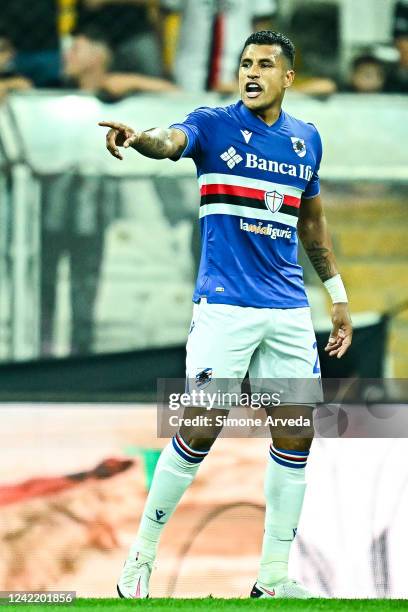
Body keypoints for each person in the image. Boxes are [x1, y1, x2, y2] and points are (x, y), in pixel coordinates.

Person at [99, 30, 353, 599]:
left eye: (265, 64)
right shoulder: (213, 125)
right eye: (245, 64)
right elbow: (170, 142)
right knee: (199, 428)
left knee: (295, 436)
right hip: (225, 305)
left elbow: (311, 220)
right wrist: (140, 138)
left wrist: (336, 294)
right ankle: (138, 563)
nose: (252, 73)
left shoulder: (305, 140)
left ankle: (273, 578)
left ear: (289, 76)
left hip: (288, 307)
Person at [161, 0, 276, 93]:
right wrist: (166, 63)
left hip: (237, 73)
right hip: (188, 73)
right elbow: (164, 15)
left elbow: (262, 24)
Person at [64, 26, 178, 98]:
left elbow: (177, 94)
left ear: (96, 57)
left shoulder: (120, 89)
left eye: (75, 49)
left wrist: (134, 82)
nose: (67, 55)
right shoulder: (63, 91)